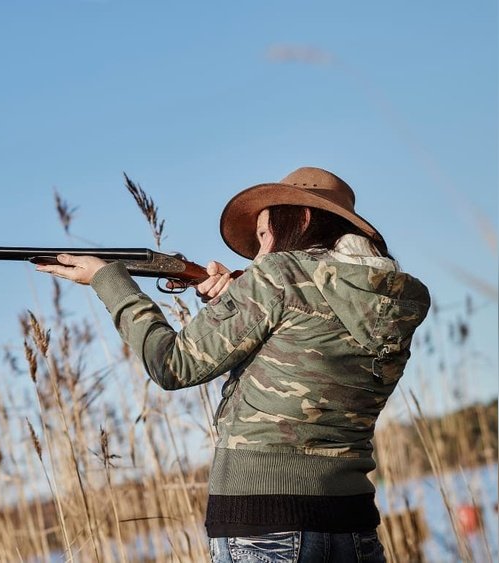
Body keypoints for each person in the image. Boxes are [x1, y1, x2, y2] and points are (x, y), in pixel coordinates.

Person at [35, 166, 431, 563]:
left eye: (263, 235)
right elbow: (305, 331)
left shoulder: (278, 276)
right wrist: (238, 298)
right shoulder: (391, 303)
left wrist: (109, 281)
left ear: (303, 219)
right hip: (353, 526)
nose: (260, 254)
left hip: (265, 525)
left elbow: (171, 364)